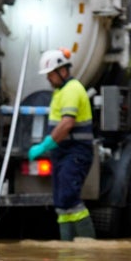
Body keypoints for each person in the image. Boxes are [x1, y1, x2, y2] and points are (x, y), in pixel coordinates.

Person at [28, 48, 96, 241]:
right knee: (61, 203)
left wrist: (45, 145)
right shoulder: (60, 91)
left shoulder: (72, 90)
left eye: (50, 74)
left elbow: (67, 123)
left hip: (75, 152)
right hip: (63, 153)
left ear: (63, 71)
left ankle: (87, 247)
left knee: (70, 199)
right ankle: (67, 249)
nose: (48, 79)